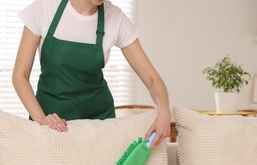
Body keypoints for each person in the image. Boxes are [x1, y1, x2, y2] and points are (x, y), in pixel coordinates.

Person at [12, 0, 170, 148]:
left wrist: (164, 112)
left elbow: (151, 78)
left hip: (98, 121)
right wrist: (41, 119)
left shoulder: (115, 18)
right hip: (50, 119)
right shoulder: (45, 8)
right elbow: (20, 76)